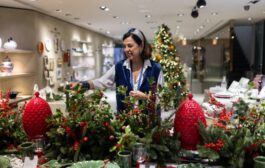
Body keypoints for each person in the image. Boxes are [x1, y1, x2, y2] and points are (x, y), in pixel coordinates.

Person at [79, 28, 164, 113]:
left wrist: (146, 97)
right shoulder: (119, 67)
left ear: (141, 46)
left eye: (130, 46)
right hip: (124, 122)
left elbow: (162, 99)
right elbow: (102, 82)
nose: (126, 49)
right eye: (124, 46)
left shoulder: (155, 68)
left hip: (150, 123)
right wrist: (82, 85)